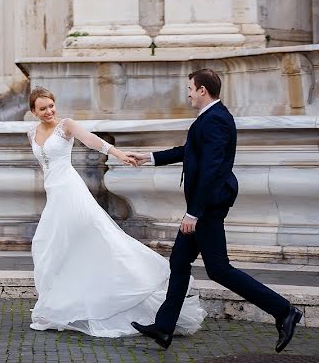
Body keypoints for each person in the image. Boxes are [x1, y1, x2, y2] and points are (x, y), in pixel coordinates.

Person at [125, 69, 302, 352]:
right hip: (202, 205)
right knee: (180, 263)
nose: (188, 93)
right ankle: (163, 327)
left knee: (219, 269)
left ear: (203, 90)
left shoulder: (216, 119)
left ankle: (284, 311)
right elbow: (190, 151)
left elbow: (212, 170)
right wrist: (149, 157)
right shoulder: (211, 118)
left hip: (207, 207)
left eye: (191, 88)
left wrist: (194, 213)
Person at [26, 87, 206, 337]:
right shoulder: (31, 133)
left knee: (95, 240)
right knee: (51, 246)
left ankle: (128, 290)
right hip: (54, 195)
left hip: (70, 191)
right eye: (42, 108)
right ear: (33, 111)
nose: (49, 111)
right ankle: (61, 306)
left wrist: (119, 154)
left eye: (51, 106)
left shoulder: (66, 125)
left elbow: (92, 140)